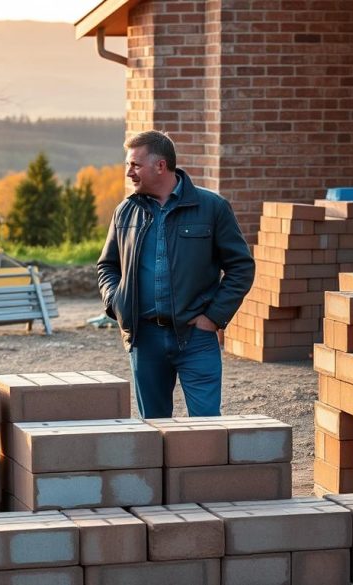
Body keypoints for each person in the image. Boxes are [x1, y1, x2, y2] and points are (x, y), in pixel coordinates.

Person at [97, 130, 254, 419]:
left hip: (196, 337)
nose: (129, 172)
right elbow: (107, 266)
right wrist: (117, 304)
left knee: (206, 425)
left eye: (135, 165)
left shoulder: (212, 208)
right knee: (153, 428)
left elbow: (241, 267)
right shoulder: (125, 212)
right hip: (144, 339)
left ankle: (203, 466)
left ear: (161, 165)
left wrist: (213, 317)